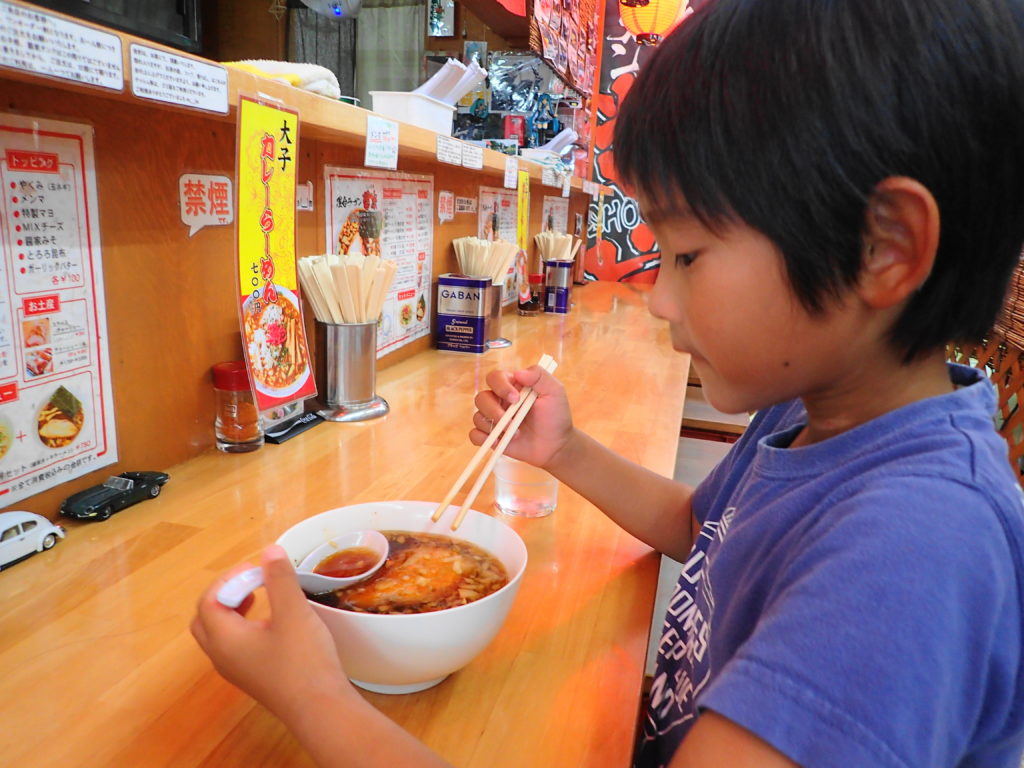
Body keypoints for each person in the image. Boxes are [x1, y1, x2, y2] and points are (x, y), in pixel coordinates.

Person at [191, 0, 1024, 765]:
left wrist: (312, 697)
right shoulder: (809, 417)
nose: (659, 298)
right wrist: (569, 451)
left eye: (689, 254)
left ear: (884, 248)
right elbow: (702, 527)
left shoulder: (915, 551)